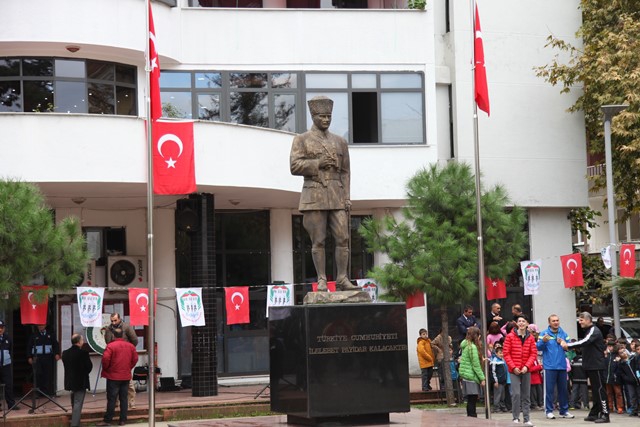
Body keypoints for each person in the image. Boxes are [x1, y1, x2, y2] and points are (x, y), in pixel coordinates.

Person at [289, 95, 357, 292]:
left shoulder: (340, 142)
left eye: (329, 116)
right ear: (313, 116)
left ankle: (342, 278)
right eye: (322, 116)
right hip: (314, 194)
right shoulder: (301, 140)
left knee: (342, 237)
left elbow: (345, 172)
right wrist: (317, 163)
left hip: (336, 194)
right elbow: (294, 166)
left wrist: (347, 198)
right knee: (318, 240)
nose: (326, 120)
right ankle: (321, 279)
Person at [563, 312, 610, 423]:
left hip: (597, 365)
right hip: (591, 365)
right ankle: (594, 413)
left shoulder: (594, 330)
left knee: (599, 390)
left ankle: (605, 414)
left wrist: (568, 345)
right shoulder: (589, 330)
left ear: (588, 320)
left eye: (581, 320)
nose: (580, 322)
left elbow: (585, 341)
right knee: (595, 391)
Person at [97, 328, 138, 427]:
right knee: (124, 398)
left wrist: (107, 369)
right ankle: (123, 420)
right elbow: (135, 359)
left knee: (112, 398)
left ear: (113, 335)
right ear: (122, 335)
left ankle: (108, 420)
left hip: (113, 376)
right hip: (125, 376)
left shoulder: (110, 346)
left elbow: (105, 359)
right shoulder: (131, 346)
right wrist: (129, 367)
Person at [536, 314, 574, 419]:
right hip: (549, 366)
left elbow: (569, 349)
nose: (556, 322)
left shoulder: (564, 333)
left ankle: (564, 411)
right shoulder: (544, 333)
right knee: (549, 390)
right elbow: (538, 347)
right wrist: (543, 341)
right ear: (549, 322)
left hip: (562, 366)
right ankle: (549, 410)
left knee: (563, 390)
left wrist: (563, 343)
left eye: (557, 320)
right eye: (553, 321)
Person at [503, 315, 537, 426]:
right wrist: (513, 367)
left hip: (526, 369)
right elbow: (506, 354)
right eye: (519, 321)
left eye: (523, 321)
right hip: (514, 370)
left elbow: (533, 354)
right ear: (517, 323)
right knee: (516, 394)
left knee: (526, 395)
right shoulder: (510, 337)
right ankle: (515, 417)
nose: (521, 323)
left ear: (527, 324)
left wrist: (527, 366)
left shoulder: (531, 337)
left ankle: (526, 419)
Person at [104, 313, 138, 410]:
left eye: (115, 320)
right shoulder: (108, 329)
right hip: (114, 355)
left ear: (119, 319)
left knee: (129, 382)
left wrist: (128, 350)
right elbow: (107, 341)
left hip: (125, 356)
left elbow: (134, 340)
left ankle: (132, 402)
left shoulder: (126, 327)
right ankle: (115, 402)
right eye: (112, 321)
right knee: (113, 382)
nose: (113, 322)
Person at [62, 333, 93, 427]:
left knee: (74, 403)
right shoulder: (83, 353)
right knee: (77, 403)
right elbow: (89, 367)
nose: (83, 341)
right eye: (82, 340)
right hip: (80, 381)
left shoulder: (65, 353)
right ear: (79, 342)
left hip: (69, 381)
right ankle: (75, 424)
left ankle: (77, 422)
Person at [458, 326, 485, 418]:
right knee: (472, 400)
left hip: (466, 375)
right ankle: (472, 417)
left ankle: (470, 417)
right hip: (471, 375)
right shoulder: (472, 347)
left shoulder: (466, 344)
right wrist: (482, 378)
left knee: (470, 399)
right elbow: (475, 365)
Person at [27, 324, 60, 397]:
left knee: (48, 375)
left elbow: (55, 345)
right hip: (37, 358)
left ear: (45, 325)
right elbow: (29, 346)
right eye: (39, 326)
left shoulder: (50, 335)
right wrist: (29, 357)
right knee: (38, 374)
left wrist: (56, 353)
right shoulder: (34, 335)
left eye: (42, 325)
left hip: (48, 357)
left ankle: (47, 392)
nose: (40, 327)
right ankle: (38, 393)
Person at [616, 346, 638, 417]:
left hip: (637, 379)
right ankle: (634, 410)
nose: (623, 353)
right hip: (629, 381)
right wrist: (626, 378)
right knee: (632, 396)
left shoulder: (633, 358)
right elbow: (621, 373)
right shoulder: (621, 363)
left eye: (624, 351)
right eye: (621, 353)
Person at [0, 320, 17, 411]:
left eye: (2, 327)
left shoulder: (7, 338)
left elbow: (10, 350)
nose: (0, 329)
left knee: (8, 385)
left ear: (4, 328)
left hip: (6, 365)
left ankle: (11, 404)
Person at [604, 342, 623, 414]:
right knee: (609, 393)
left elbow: (619, 367)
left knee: (618, 393)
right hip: (607, 377)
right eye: (609, 346)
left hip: (615, 377)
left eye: (611, 346)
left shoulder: (617, 356)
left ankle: (620, 407)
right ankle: (610, 407)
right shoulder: (607, 356)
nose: (610, 348)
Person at [490, 344, 508, 413]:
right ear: (496, 353)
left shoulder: (502, 360)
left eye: (502, 353)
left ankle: (502, 406)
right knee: (497, 395)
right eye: (500, 353)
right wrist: (495, 381)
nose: (501, 354)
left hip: (503, 381)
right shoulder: (494, 361)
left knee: (502, 395)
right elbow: (493, 372)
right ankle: (496, 407)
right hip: (498, 381)